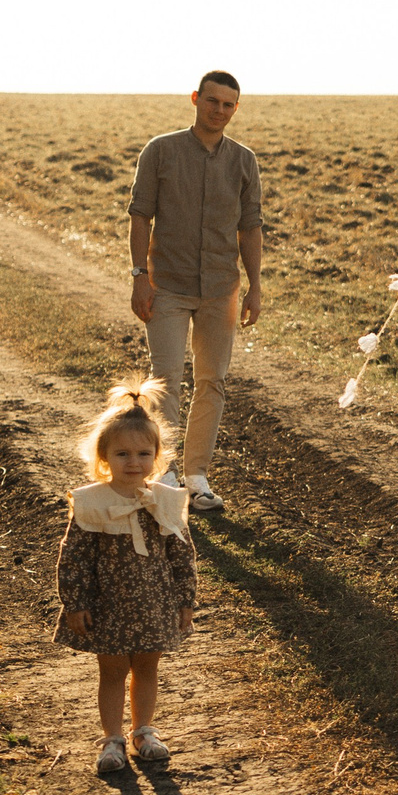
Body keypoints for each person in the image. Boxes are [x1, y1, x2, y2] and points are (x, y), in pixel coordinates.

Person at [129, 70, 264, 513]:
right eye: (212, 101)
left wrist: (255, 287)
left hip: (221, 290)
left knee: (213, 381)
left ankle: (196, 476)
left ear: (236, 108)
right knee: (166, 380)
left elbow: (250, 228)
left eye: (228, 104)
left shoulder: (244, 161)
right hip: (167, 284)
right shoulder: (161, 151)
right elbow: (140, 217)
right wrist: (138, 276)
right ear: (195, 99)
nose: (219, 111)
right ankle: (164, 474)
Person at [56, 380, 196, 776]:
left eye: (142, 453)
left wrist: (186, 601)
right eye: (121, 453)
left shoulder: (164, 502)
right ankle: (112, 738)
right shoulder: (93, 504)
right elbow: (74, 557)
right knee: (113, 671)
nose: (132, 462)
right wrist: (76, 603)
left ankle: (143, 732)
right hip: (108, 606)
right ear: (104, 457)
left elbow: (182, 554)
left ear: (157, 456)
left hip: (155, 604)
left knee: (148, 667)